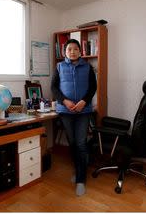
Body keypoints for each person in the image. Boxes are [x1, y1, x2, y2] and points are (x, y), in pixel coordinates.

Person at [51, 39, 96, 196]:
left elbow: (93, 87)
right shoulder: (59, 67)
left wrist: (84, 101)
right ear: (65, 52)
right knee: (72, 144)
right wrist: (65, 101)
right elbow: (54, 88)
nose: (72, 51)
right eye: (69, 49)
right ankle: (78, 170)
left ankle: (80, 180)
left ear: (80, 51)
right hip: (66, 111)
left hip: (83, 111)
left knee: (81, 144)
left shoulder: (88, 67)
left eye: (76, 49)